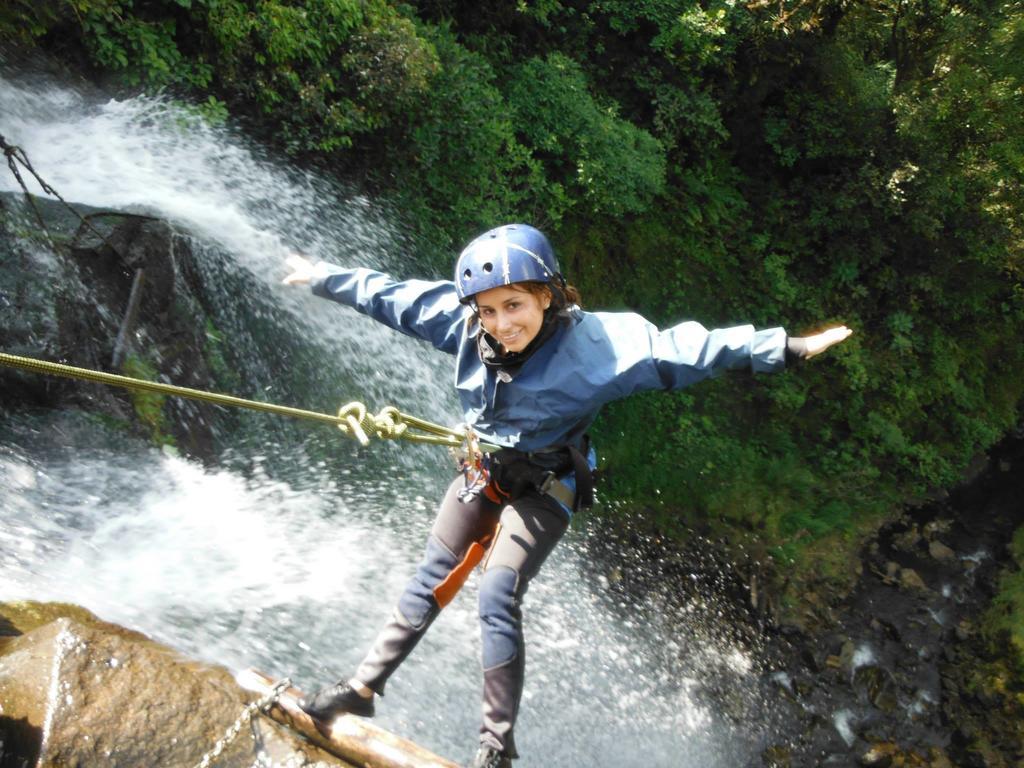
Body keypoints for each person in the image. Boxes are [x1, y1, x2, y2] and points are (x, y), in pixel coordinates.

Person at [282, 223, 852, 768]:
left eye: (514, 306)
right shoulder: (462, 327)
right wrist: (321, 276)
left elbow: (685, 349)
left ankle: (495, 746)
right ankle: (362, 688)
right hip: (484, 471)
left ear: (548, 297)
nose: (500, 323)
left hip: (548, 485)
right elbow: (391, 296)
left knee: (496, 595)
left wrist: (787, 347)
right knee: (431, 576)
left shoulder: (599, 347)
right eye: (487, 310)